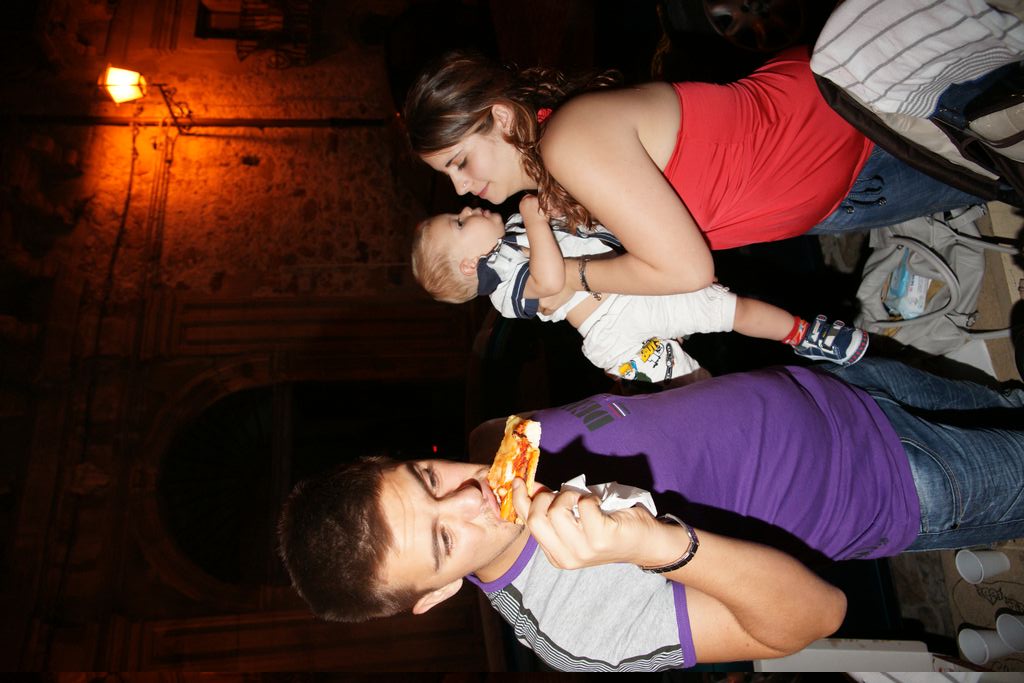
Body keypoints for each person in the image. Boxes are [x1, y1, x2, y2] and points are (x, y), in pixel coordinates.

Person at [277, 357, 1024, 670]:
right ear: (437, 593)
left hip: (828, 385)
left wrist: (673, 365)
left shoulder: (490, 439)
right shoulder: (572, 624)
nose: (470, 496)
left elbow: (649, 414)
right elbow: (816, 615)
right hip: (890, 482)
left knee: (1006, 402)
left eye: (426, 476)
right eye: (444, 540)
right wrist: (657, 547)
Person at [403, 46, 983, 307]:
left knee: (1004, 140)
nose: (460, 188)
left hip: (850, 138)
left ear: (502, 119)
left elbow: (686, 271)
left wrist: (567, 280)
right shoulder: (561, 159)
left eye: (459, 162)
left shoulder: (569, 144)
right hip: (835, 163)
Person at [412, 197, 868, 382]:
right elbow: (550, 280)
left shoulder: (514, 226)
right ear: (470, 265)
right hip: (615, 330)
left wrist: (553, 212)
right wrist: (534, 217)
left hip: (634, 285)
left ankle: (805, 334)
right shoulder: (502, 285)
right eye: (458, 222)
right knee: (693, 387)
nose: (466, 209)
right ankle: (735, 413)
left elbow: (583, 233)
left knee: (732, 310)